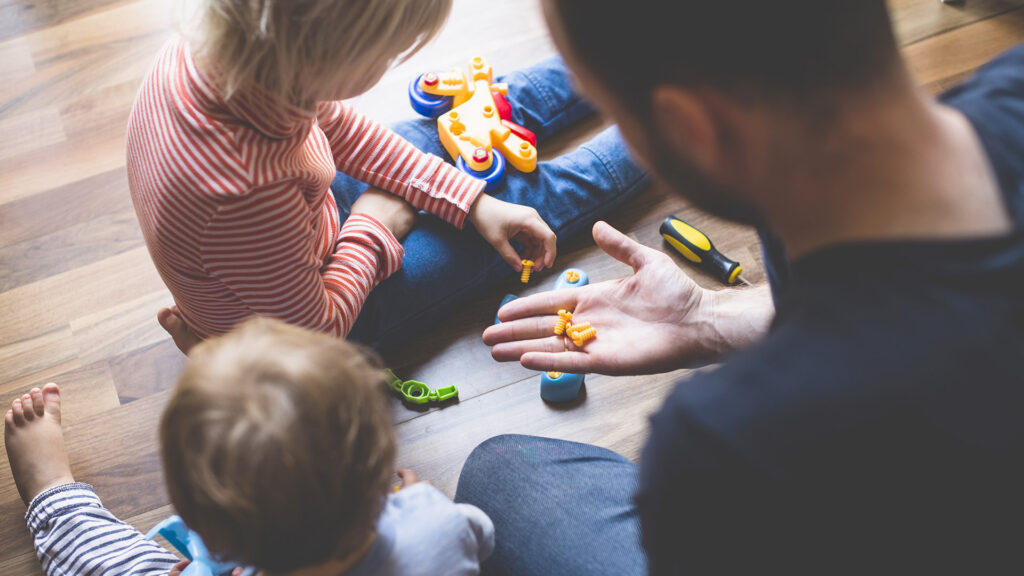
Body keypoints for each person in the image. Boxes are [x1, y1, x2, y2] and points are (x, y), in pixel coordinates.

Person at [463, 0, 1024, 573]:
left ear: (690, 129)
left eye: (614, 114)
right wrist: (707, 318)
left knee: (502, 475)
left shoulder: (727, 450)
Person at [129, 0, 647, 355]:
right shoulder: (240, 191)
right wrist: (374, 229)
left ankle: (632, 45)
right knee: (526, 205)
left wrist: (468, 200)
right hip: (311, 333)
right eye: (387, 54)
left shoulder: (226, 59)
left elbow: (333, 125)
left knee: (472, 121)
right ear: (318, 61)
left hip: (299, 219)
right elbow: (319, 328)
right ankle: (669, 131)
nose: (394, 61)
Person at [5, 317, 494, 576]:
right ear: (385, 464)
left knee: (107, 564)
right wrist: (415, 504)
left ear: (209, 543)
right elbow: (479, 538)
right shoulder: (440, 522)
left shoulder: (218, 556)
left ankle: (54, 494)